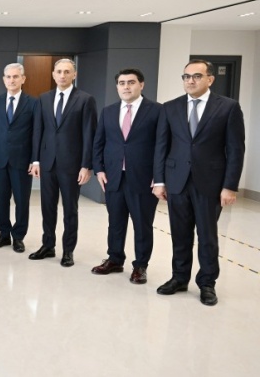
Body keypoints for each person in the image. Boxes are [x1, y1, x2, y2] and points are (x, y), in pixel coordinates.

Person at [153, 59, 245, 306]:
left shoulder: (228, 107)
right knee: (180, 234)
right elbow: (161, 146)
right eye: (186, 76)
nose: (190, 81)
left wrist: (230, 186)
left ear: (210, 79)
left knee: (207, 237)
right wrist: (159, 180)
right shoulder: (170, 107)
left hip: (210, 183)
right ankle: (179, 278)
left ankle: (207, 283)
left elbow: (235, 150)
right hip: (177, 181)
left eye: (196, 76)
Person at [91, 68, 161, 284]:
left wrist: (159, 176)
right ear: (117, 87)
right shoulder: (109, 111)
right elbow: (99, 143)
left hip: (143, 178)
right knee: (115, 222)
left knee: (142, 224)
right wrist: (99, 169)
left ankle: (140, 266)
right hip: (114, 177)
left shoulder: (157, 110)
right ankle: (115, 259)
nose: (126, 87)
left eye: (131, 82)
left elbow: (163, 146)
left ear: (141, 84)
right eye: (122, 83)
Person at [30, 58, 97, 267]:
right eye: (59, 71)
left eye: (67, 71)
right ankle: (48, 245)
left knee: (70, 210)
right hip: (48, 163)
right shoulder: (43, 98)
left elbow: (89, 134)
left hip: (72, 165)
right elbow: (38, 130)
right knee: (47, 207)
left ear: (74, 75)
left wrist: (86, 165)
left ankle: (68, 250)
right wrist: (36, 160)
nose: (62, 75)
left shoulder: (85, 100)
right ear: (53, 74)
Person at [0, 63, 39, 253]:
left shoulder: (33, 103)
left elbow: (36, 134)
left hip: (22, 161)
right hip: (0, 159)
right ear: (3, 79)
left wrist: (35, 160)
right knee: (2, 199)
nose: (12, 80)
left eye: (16, 76)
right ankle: (3, 234)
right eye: (8, 77)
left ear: (23, 79)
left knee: (22, 201)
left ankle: (18, 236)